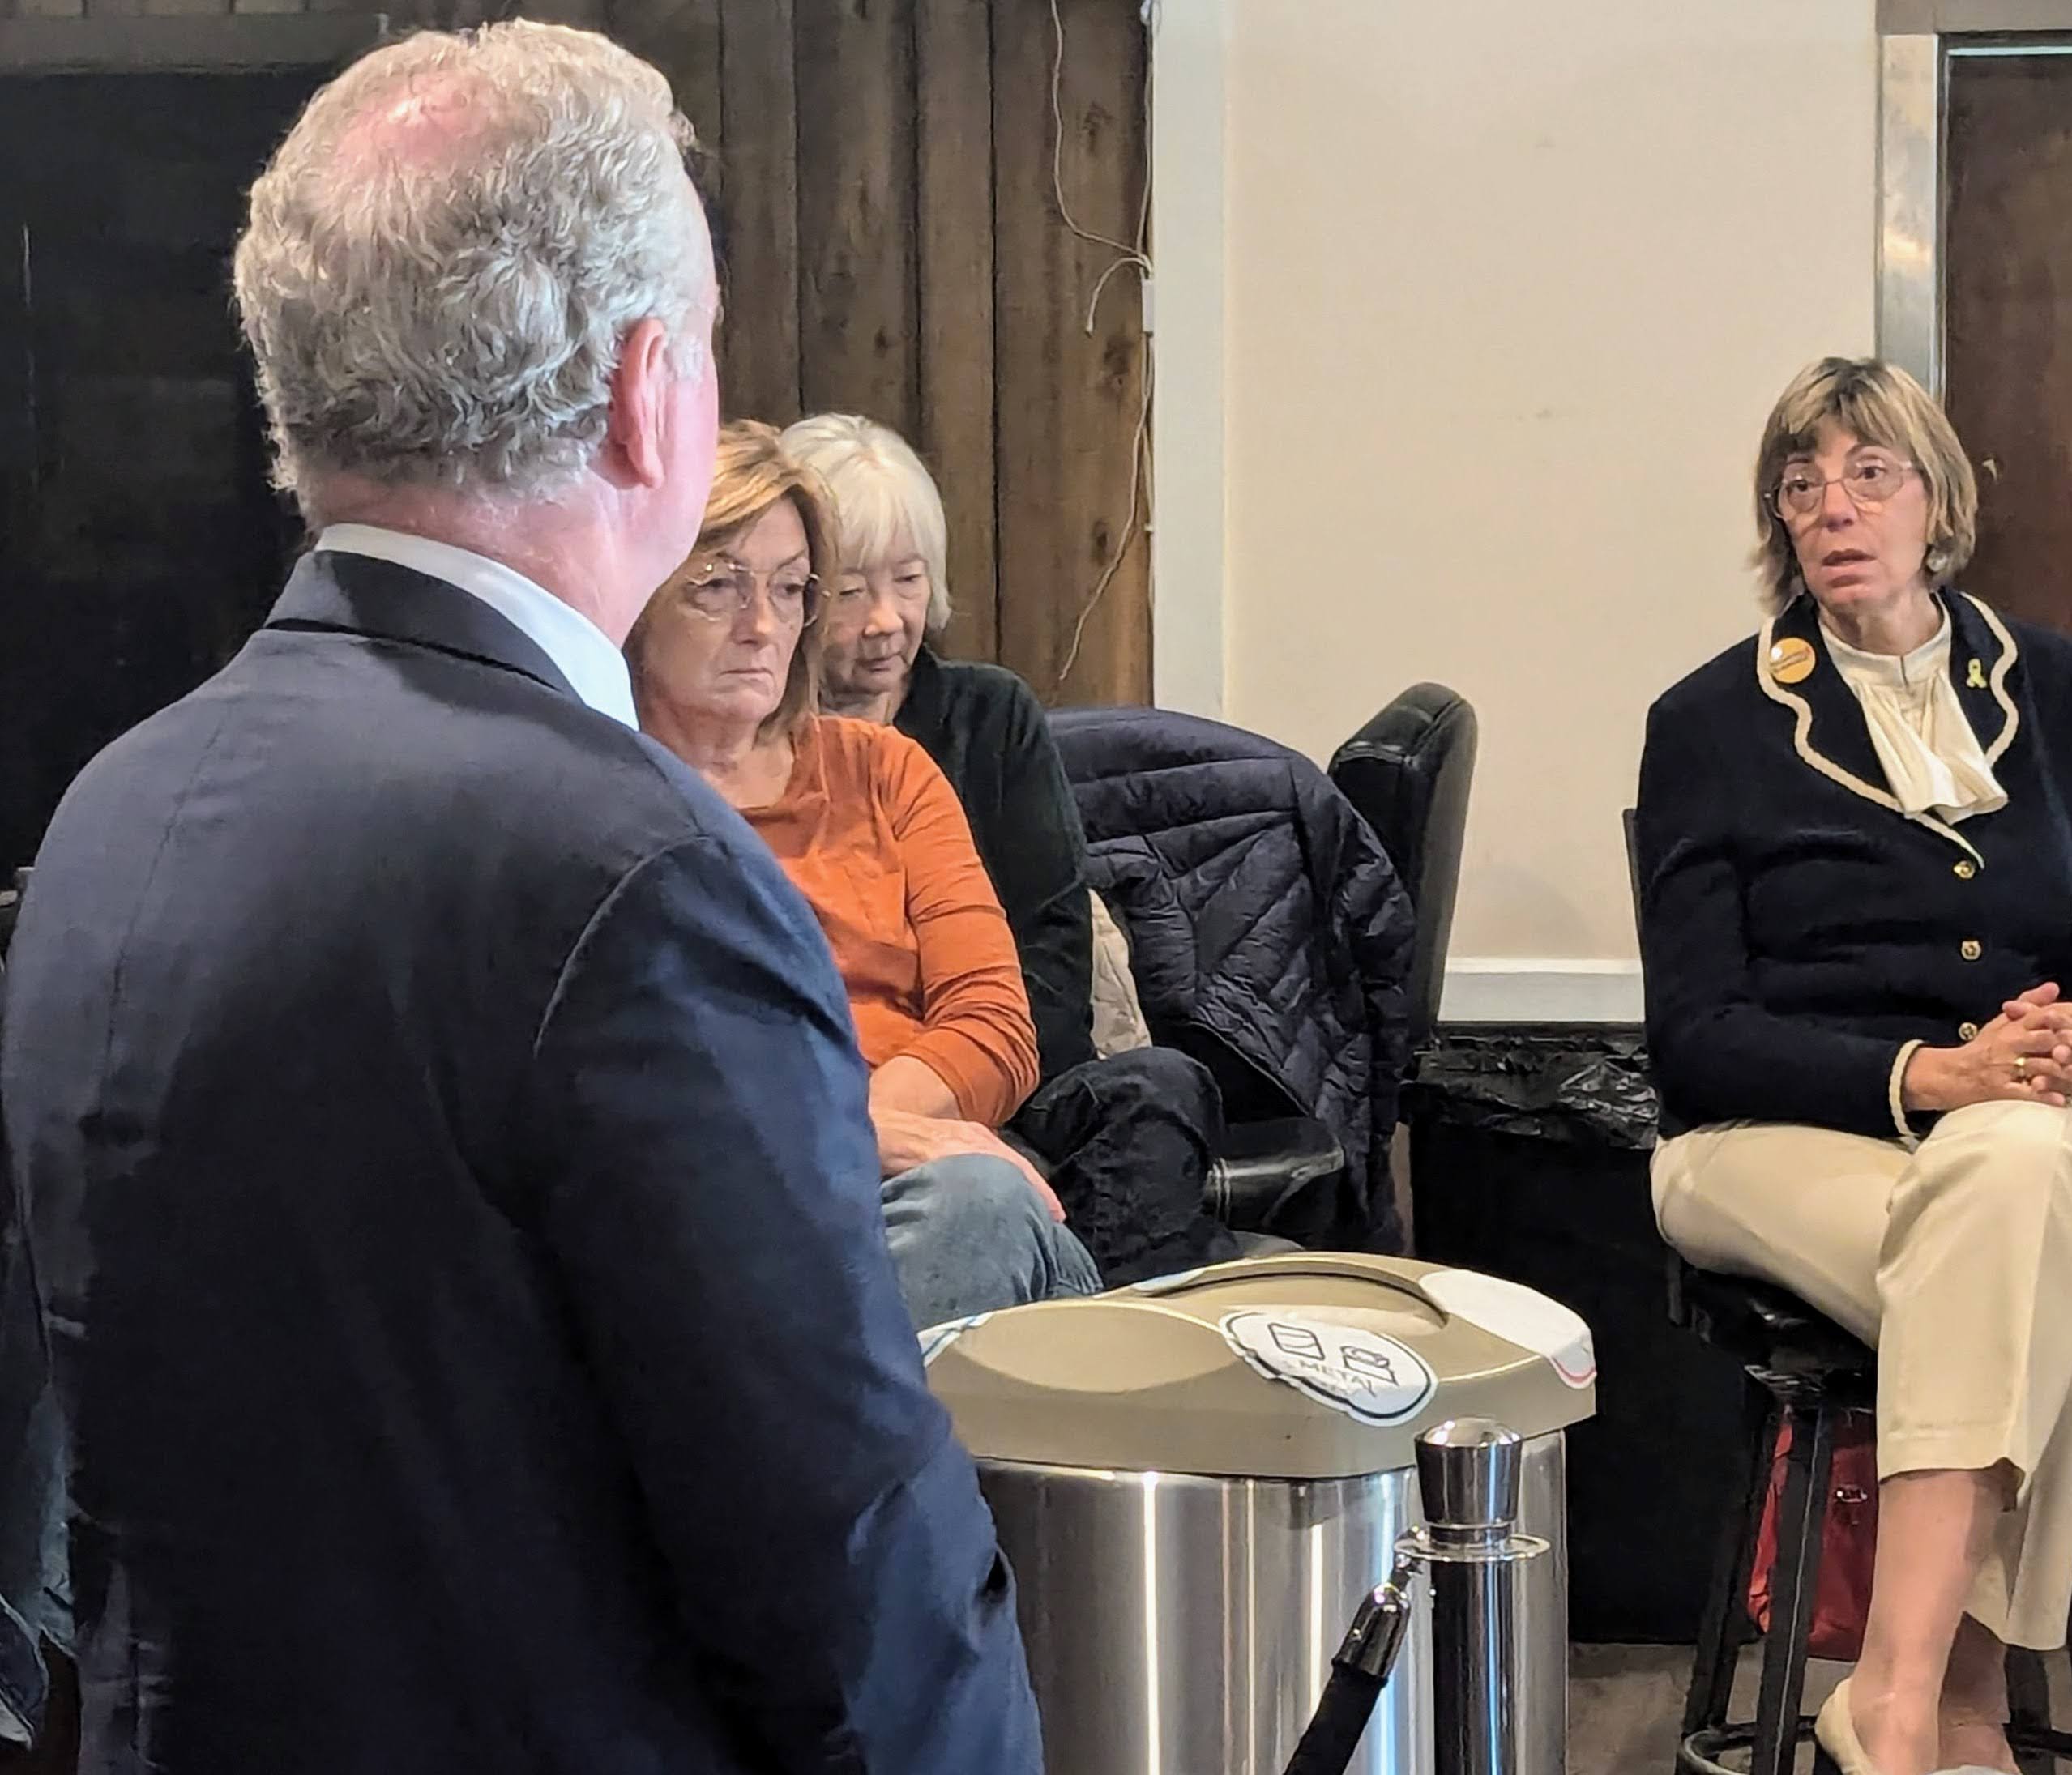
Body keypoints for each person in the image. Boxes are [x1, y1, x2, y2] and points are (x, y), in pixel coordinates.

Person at [0, 25, 1040, 1774]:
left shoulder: (116, 810)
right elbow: (853, 1609)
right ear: (651, 388)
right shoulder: (637, 877)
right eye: (707, 340)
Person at [1634, 356, 2072, 1775]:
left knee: (2012, 1178)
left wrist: (2067, 1055)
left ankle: (1894, 1696)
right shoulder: (1710, 722)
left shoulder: (2059, 687)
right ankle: (1956, 1702)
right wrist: (1928, 1074)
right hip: (1768, 1139)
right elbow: (1695, 1035)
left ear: (1940, 499)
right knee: (2063, 1324)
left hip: (2039, 1119)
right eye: (1800, 484)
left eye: (1870, 474)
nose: (1832, 508)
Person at [628, 422, 1103, 1310]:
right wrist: (840, 1137)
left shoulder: (883, 771)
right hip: (724, 1206)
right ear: (639, 595)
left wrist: (870, 1131)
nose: (763, 625)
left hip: (932, 1204)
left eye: (789, 588)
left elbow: (998, 1021)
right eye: (719, 588)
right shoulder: (594, 792)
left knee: (979, 1207)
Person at [775, 412, 1241, 1279]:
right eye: (849, 593)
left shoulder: (988, 718)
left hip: (1002, 1084)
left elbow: (1049, 961)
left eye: (909, 581)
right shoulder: (750, 749)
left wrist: (959, 1097)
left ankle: (1117, 1348)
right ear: (794, 593)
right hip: (827, 1107)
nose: (886, 621)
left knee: (1160, 1087)